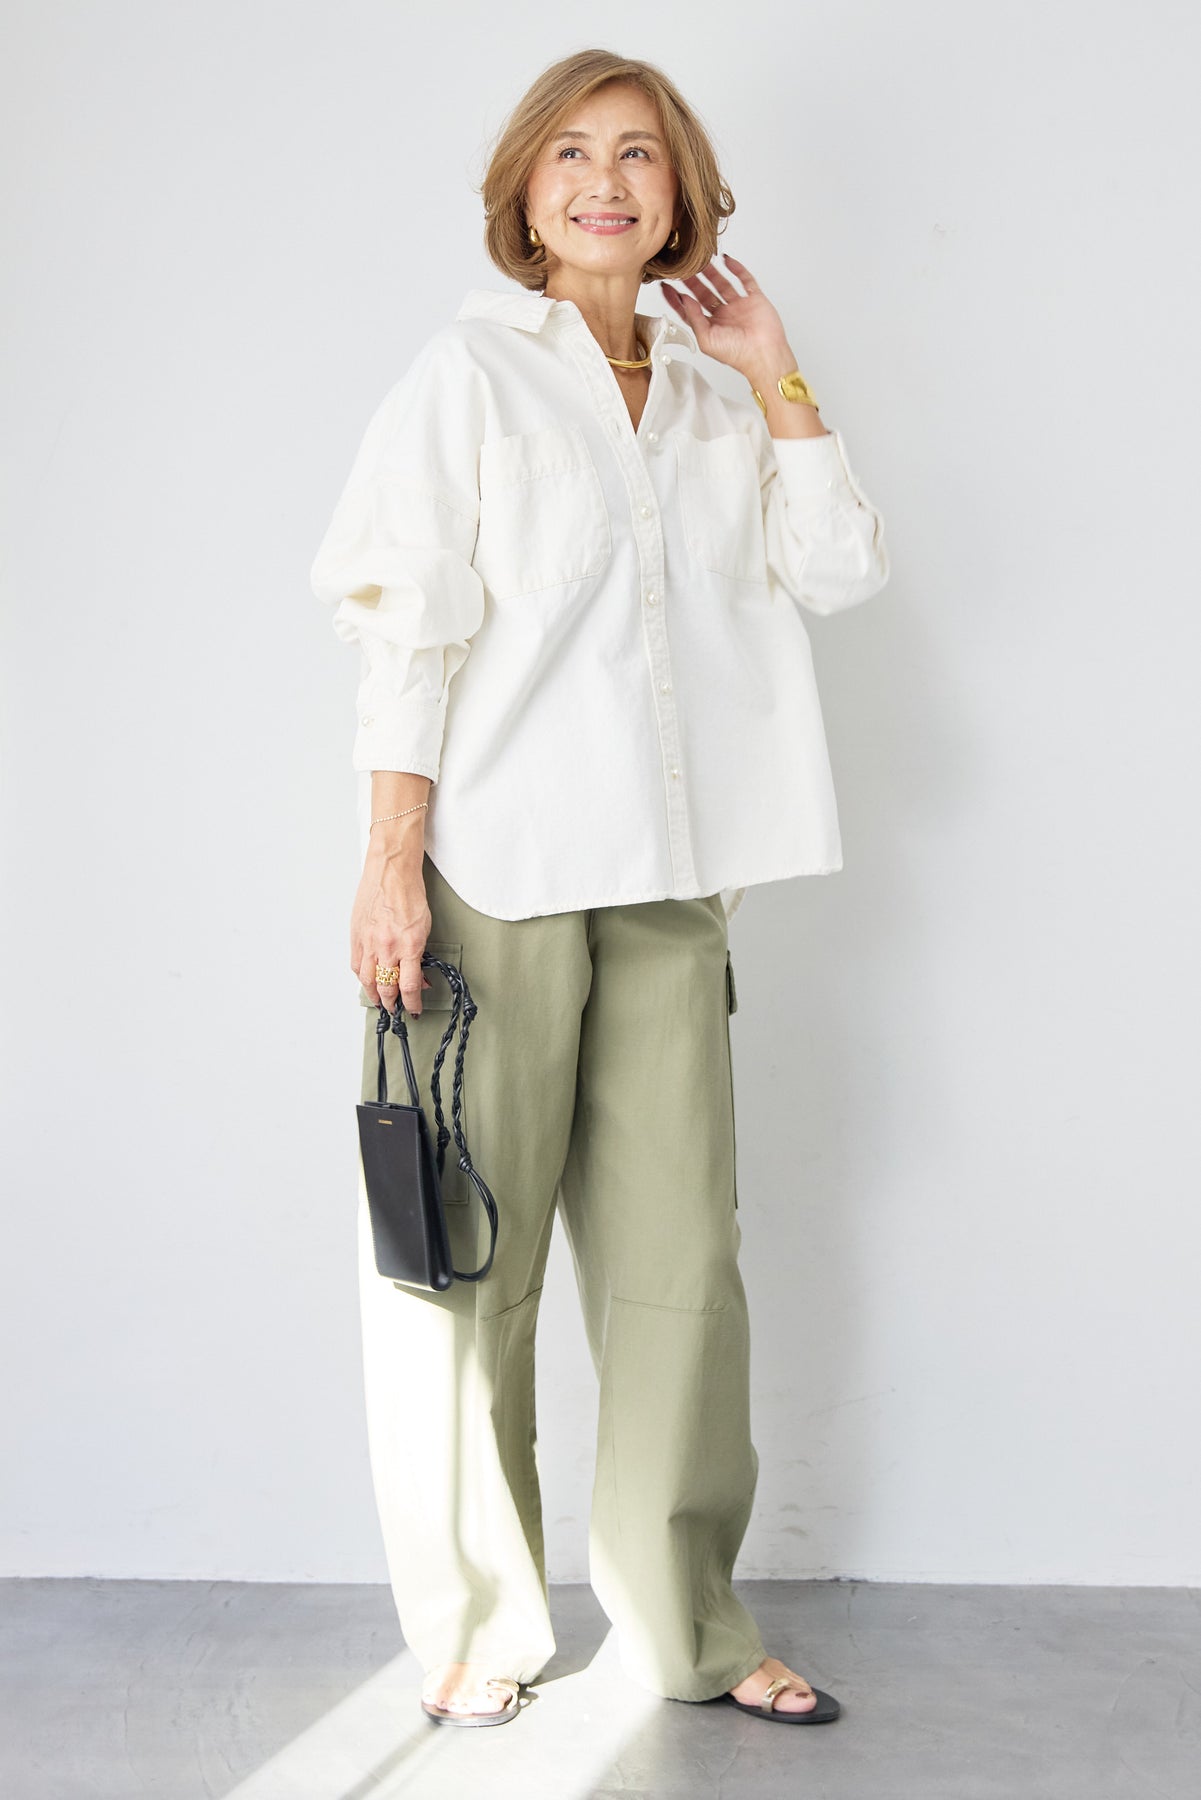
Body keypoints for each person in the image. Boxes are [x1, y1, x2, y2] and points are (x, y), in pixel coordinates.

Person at [310, 47, 889, 1731]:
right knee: (461, 1268)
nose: (603, 182)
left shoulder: (716, 392)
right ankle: (477, 1627)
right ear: (523, 191)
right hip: (491, 879)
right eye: (569, 154)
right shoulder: (467, 377)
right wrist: (389, 865)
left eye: (637, 154)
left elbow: (837, 569)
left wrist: (776, 372)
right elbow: (405, 627)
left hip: (671, 891)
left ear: (681, 191)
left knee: (680, 1270)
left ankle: (689, 1624)